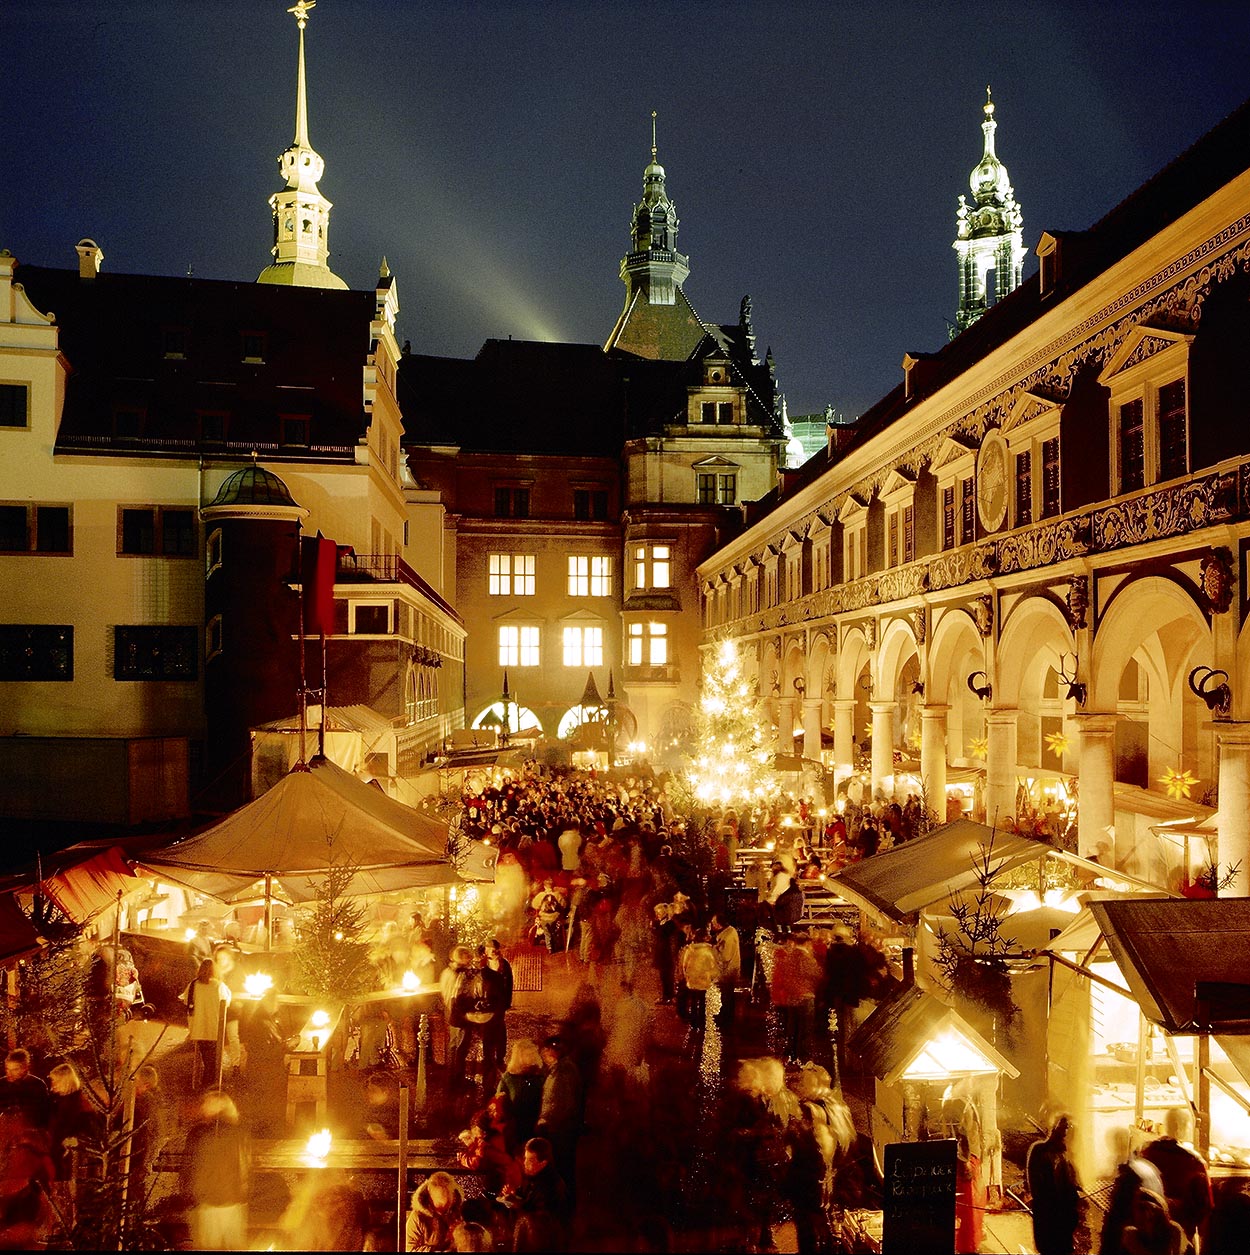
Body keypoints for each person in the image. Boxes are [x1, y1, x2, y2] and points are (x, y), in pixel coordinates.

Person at [181, 1090, 250, 1251]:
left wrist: (190, 1196)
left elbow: (190, 1168)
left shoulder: (199, 1134)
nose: (202, 1106)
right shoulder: (240, 1132)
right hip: (234, 1201)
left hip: (208, 1202)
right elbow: (244, 1166)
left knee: (208, 1246)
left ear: (214, 1107)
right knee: (235, 1246)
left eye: (206, 1103)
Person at [1138, 1107, 1212, 1252]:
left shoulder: (1146, 1152)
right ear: (1180, 1127)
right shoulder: (1193, 1162)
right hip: (1180, 1233)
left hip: (1147, 1229)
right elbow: (1206, 1207)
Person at [1026, 1113, 1086, 1255]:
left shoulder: (1067, 1155)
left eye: (1068, 1130)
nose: (1064, 1133)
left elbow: (1073, 1183)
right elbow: (1036, 1186)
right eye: (1061, 1129)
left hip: (1064, 1217)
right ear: (1053, 1130)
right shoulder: (1039, 1151)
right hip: (1048, 1215)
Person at [536, 1035, 582, 1204]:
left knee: (562, 1167)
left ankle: (563, 1204)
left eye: (544, 1052)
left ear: (551, 1052)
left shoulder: (561, 1074)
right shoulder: (563, 1068)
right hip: (565, 1129)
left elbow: (558, 1104)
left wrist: (544, 1122)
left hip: (560, 1131)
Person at [183, 958, 230, 1089]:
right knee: (213, 1059)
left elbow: (186, 1000)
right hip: (214, 1027)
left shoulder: (193, 985)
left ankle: (207, 1082)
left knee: (206, 1057)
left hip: (199, 1028)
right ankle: (209, 1084)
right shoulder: (219, 986)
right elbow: (226, 1002)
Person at [495, 1038, 545, 1154]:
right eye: (527, 1054)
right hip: (515, 1128)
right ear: (519, 1056)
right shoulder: (509, 1078)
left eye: (533, 1053)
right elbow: (499, 1101)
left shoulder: (541, 1075)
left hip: (535, 1126)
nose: (531, 1057)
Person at [405, 1170, 463, 1252]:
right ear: (429, 1198)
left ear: (454, 1197)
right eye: (440, 1205)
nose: (444, 1211)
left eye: (448, 1205)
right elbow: (409, 1249)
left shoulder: (460, 1213)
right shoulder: (417, 1218)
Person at [1121, 1188, 1185, 1255]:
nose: (1137, 1214)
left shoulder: (1173, 1230)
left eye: (1143, 1208)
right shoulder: (1131, 1236)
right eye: (1136, 1208)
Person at [0, 1049, 49, 1133]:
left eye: (15, 1069)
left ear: (25, 1068)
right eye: (7, 1069)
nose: (9, 1073)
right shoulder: (1, 1084)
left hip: (29, 1134)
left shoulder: (37, 1085)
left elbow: (44, 1115)